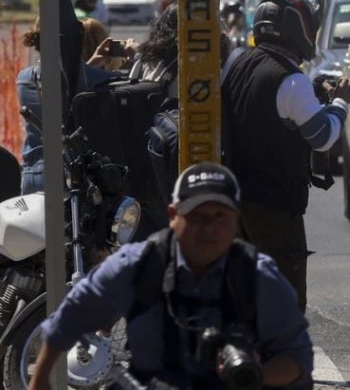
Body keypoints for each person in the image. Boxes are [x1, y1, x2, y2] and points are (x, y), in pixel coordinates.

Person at [28, 163, 314, 390]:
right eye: (197, 216)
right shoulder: (137, 266)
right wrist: (40, 382)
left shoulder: (259, 277)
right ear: (173, 215)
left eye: (220, 216)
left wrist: (252, 372)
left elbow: (298, 359)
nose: (209, 228)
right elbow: (68, 319)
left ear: (236, 220)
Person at [221, 0, 350, 312]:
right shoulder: (291, 80)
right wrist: (340, 102)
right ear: (302, 29)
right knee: (285, 303)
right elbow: (323, 137)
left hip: (234, 200)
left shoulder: (237, 61)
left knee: (243, 296)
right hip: (274, 206)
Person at [16, 18, 134, 194]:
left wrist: (91, 65)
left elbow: (67, 84)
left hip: (33, 175)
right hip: (72, 179)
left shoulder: (24, 78)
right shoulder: (100, 80)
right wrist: (137, 54)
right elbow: (137, 86)